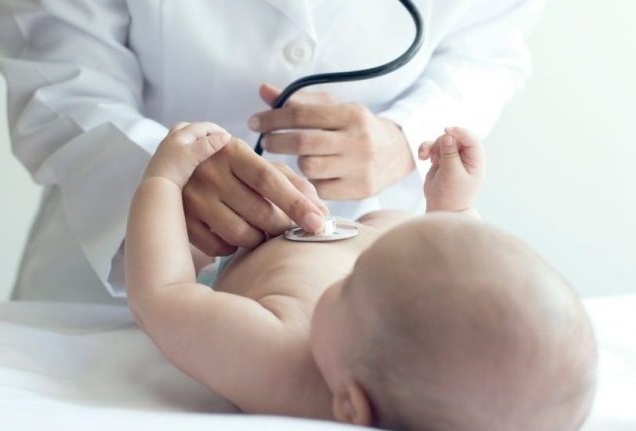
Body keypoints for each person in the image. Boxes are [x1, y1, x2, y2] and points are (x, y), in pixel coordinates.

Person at [0, 0, 545, 302]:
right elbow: (55, 71)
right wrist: (163, 181)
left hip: (380, 281)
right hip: (110, 269)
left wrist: (406, 138)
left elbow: (490, 52)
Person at [125, 122, 597, 430]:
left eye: (348, 285)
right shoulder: (389, 333)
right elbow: (463, 292)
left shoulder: (283, 362)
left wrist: (163, 181)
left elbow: (164, 294)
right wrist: (453, 209)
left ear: (352, 407)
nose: (347, 267)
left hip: (227, 242)